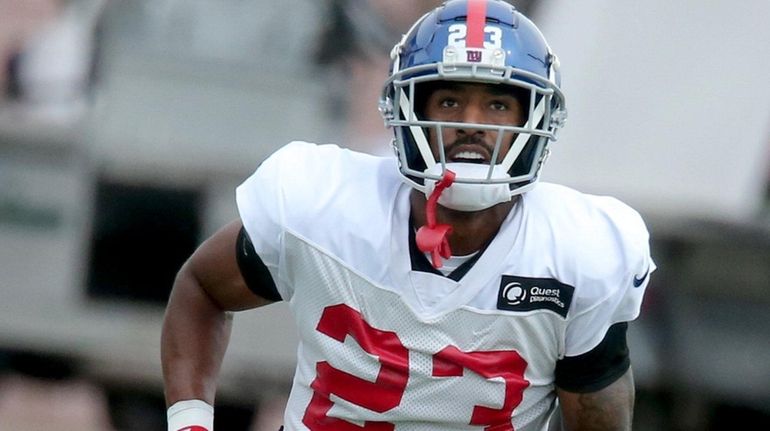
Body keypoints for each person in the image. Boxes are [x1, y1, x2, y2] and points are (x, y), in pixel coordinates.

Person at [161, 1, 655, 430]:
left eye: (498, 104)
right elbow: (201, 289)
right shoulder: (323, 207)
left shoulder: (578, 253)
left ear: (535, 120)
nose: (470, 125)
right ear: (407, 109)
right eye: (450, 100)